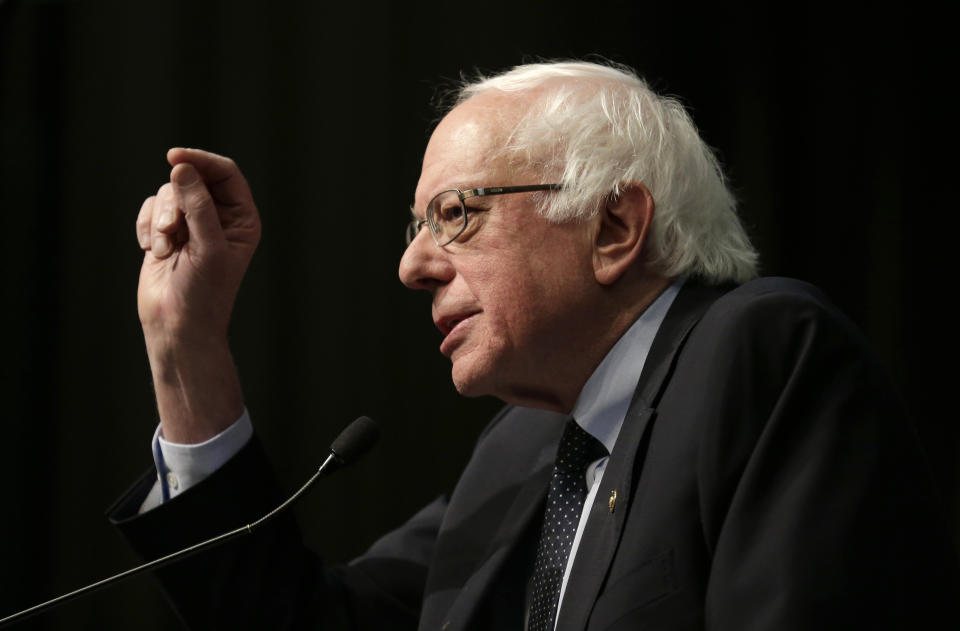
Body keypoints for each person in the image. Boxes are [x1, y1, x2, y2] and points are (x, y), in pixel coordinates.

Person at [110, 61, 959, 630]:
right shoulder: (523, 448)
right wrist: (185, 346)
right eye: (417, 226)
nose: (411, 265)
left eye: (456, 214)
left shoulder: (760, 353)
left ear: (615, 224)